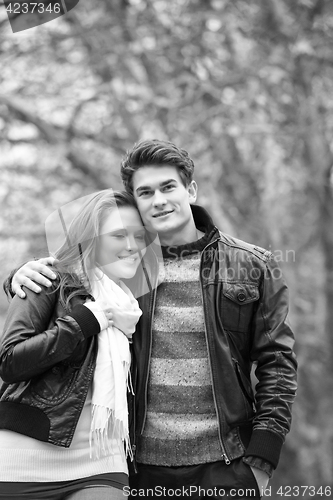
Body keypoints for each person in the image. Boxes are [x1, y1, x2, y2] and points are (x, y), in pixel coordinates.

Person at [9, 140, 297, 499]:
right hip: (139, 468)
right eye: (145, 192)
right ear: (136, 203)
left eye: (168, 187)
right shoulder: (124, 267)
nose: (158, 200)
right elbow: (67, 279)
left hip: (229, 464)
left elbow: (277, 362)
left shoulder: (251, 264)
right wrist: (19, 276)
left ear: (190, 190)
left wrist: (262, 459)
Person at [0, 190, 152, 500]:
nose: (132, 246)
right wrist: (82, 323)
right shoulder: (46, 281)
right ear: (91, 240)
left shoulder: (136, 307)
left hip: (103, 461)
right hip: (23, 462)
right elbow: (10, 362)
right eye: (119, 235)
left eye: (139, 235)